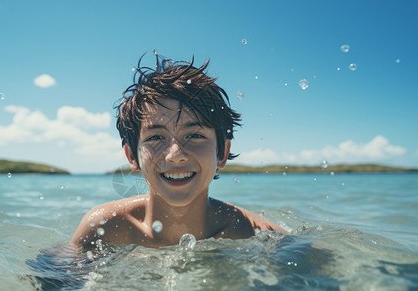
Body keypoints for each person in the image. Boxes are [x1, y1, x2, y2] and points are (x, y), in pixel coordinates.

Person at [72, 53, 286, 249]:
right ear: (132, 156)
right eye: (156, 138)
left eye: (194, 136)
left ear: (222, 152)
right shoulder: (104, 229)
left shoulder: (259, 237)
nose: (175, 155)